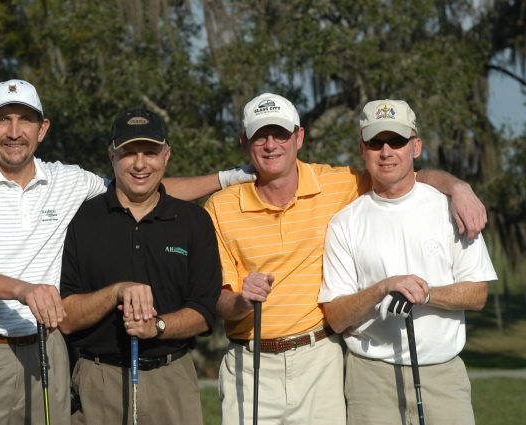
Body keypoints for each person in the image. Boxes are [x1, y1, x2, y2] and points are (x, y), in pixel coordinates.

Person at [0, 80, 253, 425]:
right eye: (3, 120)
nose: (15, 132)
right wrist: (23, 290)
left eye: (26, 121)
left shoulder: (70, 182)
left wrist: (231, 177)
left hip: (46, 355)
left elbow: (144, 187)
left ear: (42, 129)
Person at [204, 93, 488, 424]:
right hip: (254, 364)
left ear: (299, 137)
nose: (271, 145)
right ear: (245, 143)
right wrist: (241, 300)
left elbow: (403, 180)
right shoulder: (222, 207)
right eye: (259, 136)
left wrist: (459, 187)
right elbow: (219, 300)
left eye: (280, 133)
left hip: (322, 361)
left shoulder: (339, 185)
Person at [318, 99, 497, 425]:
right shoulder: (344, 223)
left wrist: (425, 293)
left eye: (397, 141)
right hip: (370, 381)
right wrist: (383, 289)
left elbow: (478, 293)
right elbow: (336, 317)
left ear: (415, 146)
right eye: (375, 142)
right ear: (362, 150)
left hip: (443, 375)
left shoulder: (453, 208)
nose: (386, 152)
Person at [58, 108, 221, 425]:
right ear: (112, 156)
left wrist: (156, 327)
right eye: (129, 152)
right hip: (97, 383)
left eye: (150, 152)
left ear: (167, 155)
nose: (140, 163)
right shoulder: (82, 220)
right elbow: (67, 317)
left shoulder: (194, 221)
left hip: (172, 382)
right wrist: (116, 292)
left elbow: (204, 312)